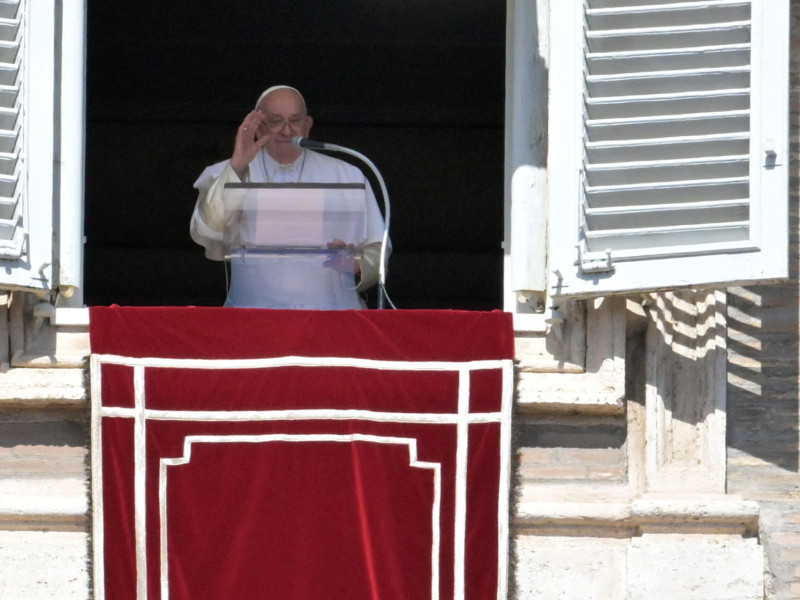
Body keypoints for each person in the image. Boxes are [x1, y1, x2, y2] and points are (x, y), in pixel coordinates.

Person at [191, 85, 388, 309]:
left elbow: (379, 250)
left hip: (331, 315)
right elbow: (206, 231)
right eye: (276, 121)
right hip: (252, 316)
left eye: (295, 120)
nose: (287, 131)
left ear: (308, 125)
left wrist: (356, 265)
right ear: (258, 127)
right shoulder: (227, 173)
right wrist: (237, 165)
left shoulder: (347, 174)